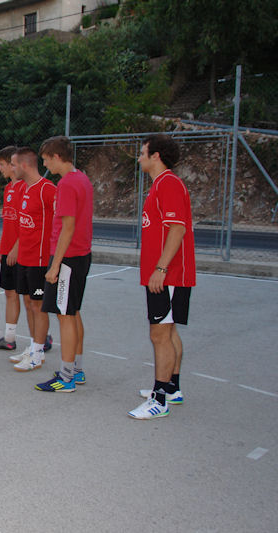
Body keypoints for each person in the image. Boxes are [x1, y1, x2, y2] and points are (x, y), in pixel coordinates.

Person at [128, 134, 195, 420]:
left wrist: (161, 269)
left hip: (169, 275)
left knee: (159, 334)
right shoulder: (160, 185)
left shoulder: (168, 183)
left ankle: (159, 400)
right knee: (168, 331)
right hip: (164, 274)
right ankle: (171, 388)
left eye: (143, 153)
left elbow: (177, 229)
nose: (139, 158)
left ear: (156, 156)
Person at [35, 136, 94, 393]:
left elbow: (68, 227)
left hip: (68, 257)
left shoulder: (68, 183)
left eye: (46, 159)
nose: (45, 164)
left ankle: (67, 377)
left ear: (57, 157)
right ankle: (76, 369)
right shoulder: (82, 178)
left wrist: (55, 265)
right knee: (73, 312)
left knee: (65, 316)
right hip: (80, 255)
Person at [8, 147, 55, 371]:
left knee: (38, 306)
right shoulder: (23, 189)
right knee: (28, 303)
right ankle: (33, 346)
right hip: (24, 258)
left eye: (14, 164)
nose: (12, 168)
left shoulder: (48, 189)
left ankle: (38, 352)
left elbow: (63, 222)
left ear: (24, 165)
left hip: (40, 259)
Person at [0, 146, 25, 351]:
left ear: (12, 164)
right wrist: (2, 247)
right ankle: (9, 338)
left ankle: (42, 337)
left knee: (31, 299)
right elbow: (8, 222)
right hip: (8, 250)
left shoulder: (26, 188)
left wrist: (16, 248)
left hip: (22, 252)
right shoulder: (8, 188)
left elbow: (27, 224)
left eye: (1, 164)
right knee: (10, 293)